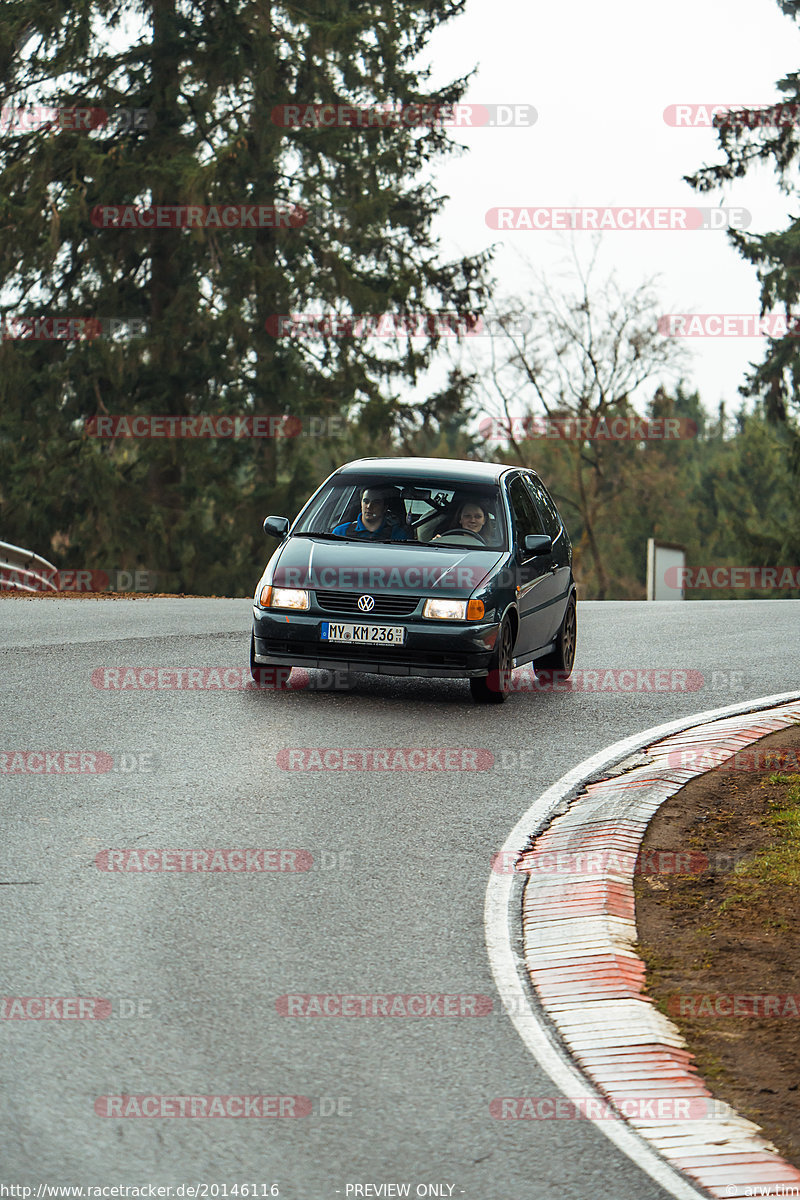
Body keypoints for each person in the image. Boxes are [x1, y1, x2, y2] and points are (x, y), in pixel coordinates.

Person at [332, 487, 411, 541]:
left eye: (376, 503)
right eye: (366, 501)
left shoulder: (398, 536)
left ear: (384, 508)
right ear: (361, 504)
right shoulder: (340, 532)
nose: (369, 506)